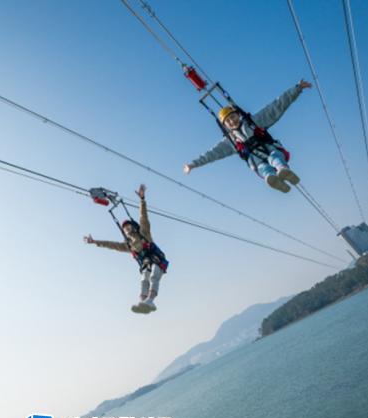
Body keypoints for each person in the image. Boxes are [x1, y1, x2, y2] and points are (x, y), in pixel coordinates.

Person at [183, 79, 313, 193]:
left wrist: (297, 88)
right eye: (228, 121)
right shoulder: (230, 141)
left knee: (274, 156)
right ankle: (271, 177)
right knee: (262, 167)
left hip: (270, 149)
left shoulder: (254, 122)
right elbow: (212, 154)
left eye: (233, 117)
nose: (232, 121)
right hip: (255, 160)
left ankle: (282, 169)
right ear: (225, 126)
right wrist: (192, 165)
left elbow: (276, 106)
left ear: (238, 115)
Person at [84, 184, 168, 314]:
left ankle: (150, 300)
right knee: (144, 278)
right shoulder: (128, 245)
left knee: (153, 274)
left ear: (133, 227)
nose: (126, 229)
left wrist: (142, 199)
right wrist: (95, 242)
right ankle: (142, 302)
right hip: (146, 263)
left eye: (128, 226)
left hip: (157, 259)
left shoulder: (144, 233)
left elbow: (143, 217)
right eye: (124, 228)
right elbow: (112, 245)